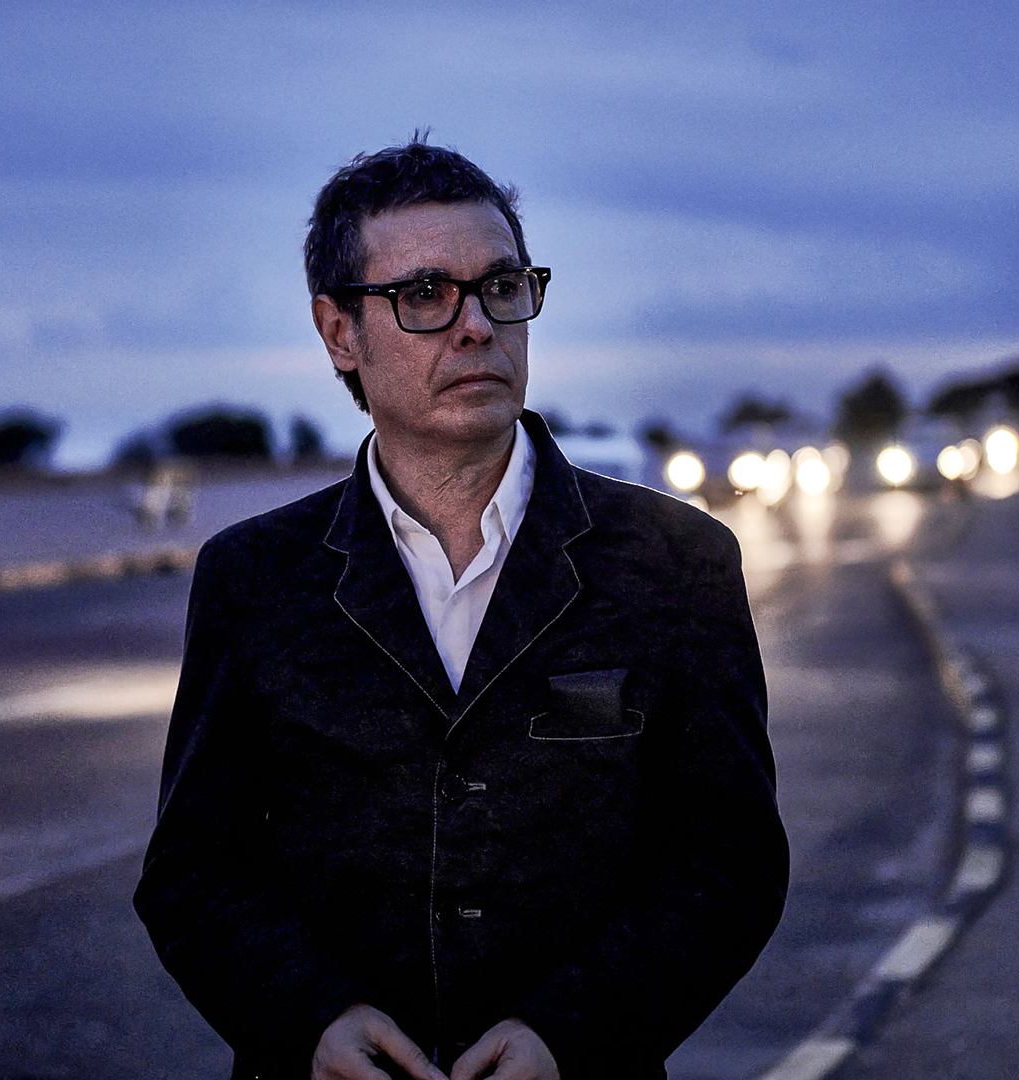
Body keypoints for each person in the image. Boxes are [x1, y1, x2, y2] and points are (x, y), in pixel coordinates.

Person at [134, 141, 788, 1080]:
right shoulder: (254, 578)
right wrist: (313, 1022)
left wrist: (569, 1033)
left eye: (501, 287)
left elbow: (730, 861)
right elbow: (194, 871)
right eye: (425, 294)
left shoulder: (677, 563)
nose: (476, 325)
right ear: (339, 331)